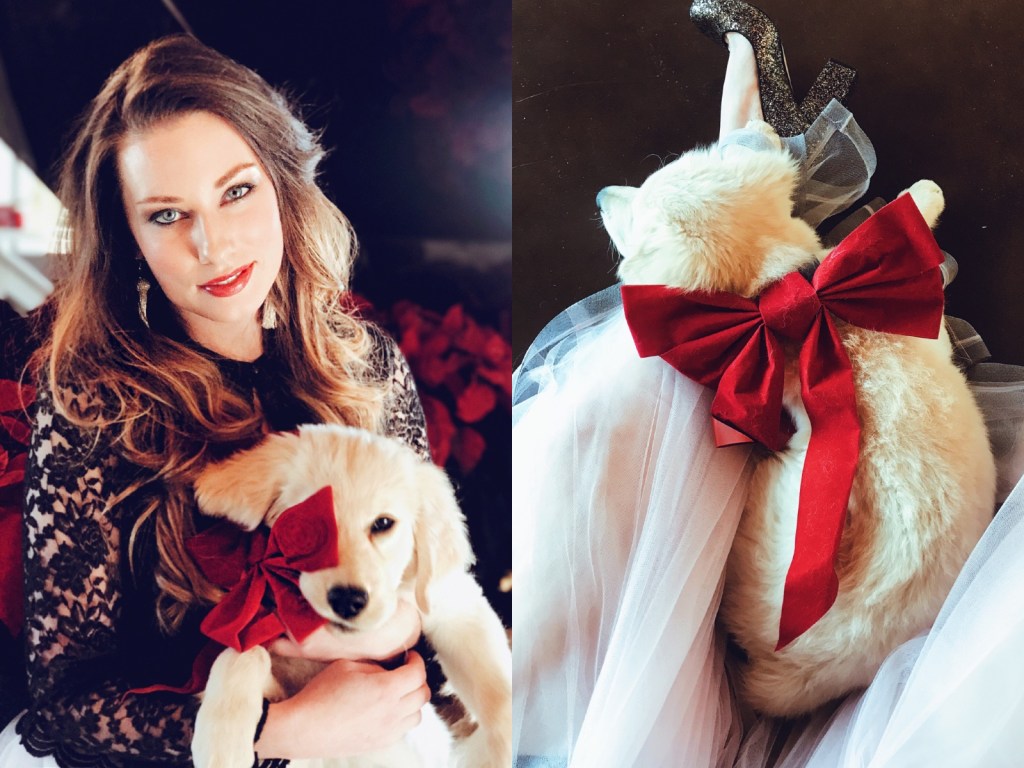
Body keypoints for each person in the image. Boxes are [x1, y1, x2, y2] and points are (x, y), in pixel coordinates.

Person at [512, 1, 1024, 766]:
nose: (611, 209)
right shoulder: (869, 287)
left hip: (795, 643)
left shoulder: (724, 335)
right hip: (930, 598)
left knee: (648, 408)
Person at [0, 34, 436, 767]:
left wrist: (393, 632)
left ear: (281, 183)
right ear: (129, 237)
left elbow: (436, 578)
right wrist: (281, 734)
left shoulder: (367, 364)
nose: (213, 244)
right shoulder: (90, 401)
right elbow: (65, 703)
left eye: (236, 191)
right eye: (167, 215)